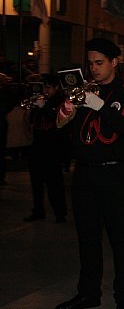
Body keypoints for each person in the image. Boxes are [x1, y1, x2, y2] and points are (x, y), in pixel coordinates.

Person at [55, 38, 124, 309]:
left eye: (100, 63)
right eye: (90, 63)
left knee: (119, 239)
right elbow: (64, 129)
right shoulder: (83, 91)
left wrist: (100, 105)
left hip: (114, 173)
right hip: (84, 173)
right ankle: (89, 293)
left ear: (114, 62)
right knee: (87, 238)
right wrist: (68, 107)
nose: (94, 68)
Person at [24, 74, 67, 223]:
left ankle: (60, 212)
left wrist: (45, 107)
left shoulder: (61, 102)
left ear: (56, 88)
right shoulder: (44, 100)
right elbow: (32, 123)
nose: (46, 90)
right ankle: (38, 210)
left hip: (53, 149)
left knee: (54, 183)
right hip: (37, 147)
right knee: (36, 182)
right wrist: (34, 110)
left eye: (49, 87)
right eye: (45, 87)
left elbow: (59, 120)